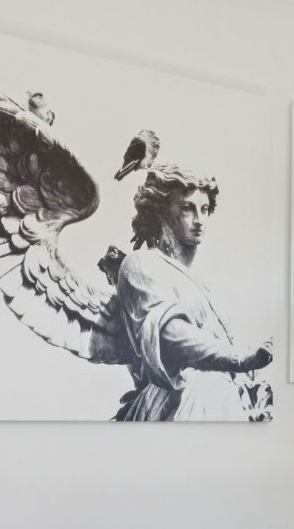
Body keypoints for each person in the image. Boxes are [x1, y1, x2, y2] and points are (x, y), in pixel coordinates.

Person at [107, 164, 273, 421]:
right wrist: (239, 359)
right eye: (188, 208)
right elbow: (171, 336)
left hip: (219, 395)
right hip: (175, 393)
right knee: (207, 381)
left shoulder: (209, 288)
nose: (199, 220)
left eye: (205, 210)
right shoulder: (140, 264)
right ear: (163, 212)